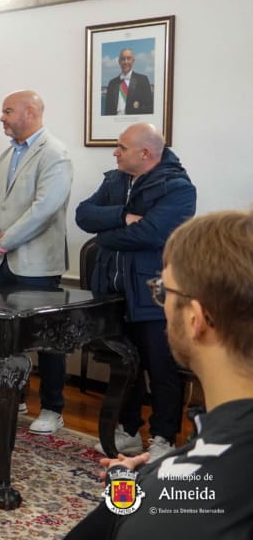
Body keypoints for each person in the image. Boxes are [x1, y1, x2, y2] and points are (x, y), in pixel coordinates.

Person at [65, 210, 253, 539]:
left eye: (163, 292)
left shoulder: (180, 506)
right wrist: (129, 482)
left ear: (197, 319)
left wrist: (151, 486)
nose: (161, 304)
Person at [75, 123, 196, 461]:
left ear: (145, 153)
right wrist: (122, 216)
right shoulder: (114, 180)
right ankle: (128, 431)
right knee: (122, 365)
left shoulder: (178, 187)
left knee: (161, 368)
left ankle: (163, 438)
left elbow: (153, 233)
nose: (115, 152)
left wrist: (106, 236)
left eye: (121, 146)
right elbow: (83, 214)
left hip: (153, 295)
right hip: (112, 293)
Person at [0, 90, 73, 435]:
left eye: (7, 111)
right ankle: (11, 396)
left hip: (35, 267)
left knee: (46, 339)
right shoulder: (7, 155)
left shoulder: (55, 154)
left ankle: (52, 408)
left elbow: (44, 209)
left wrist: (3, 240)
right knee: (3, 338)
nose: (1, 117)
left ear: (30, 112)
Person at [103, 48, 153, 116]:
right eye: (123, 59)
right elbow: (108, 110)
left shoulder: (143, 80)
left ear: (133, 61)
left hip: (135, 124)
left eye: (128, 58)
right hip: (115, 124)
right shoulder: (112, 83)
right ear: (119, 62)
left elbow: (149, 108)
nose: (126, 62)